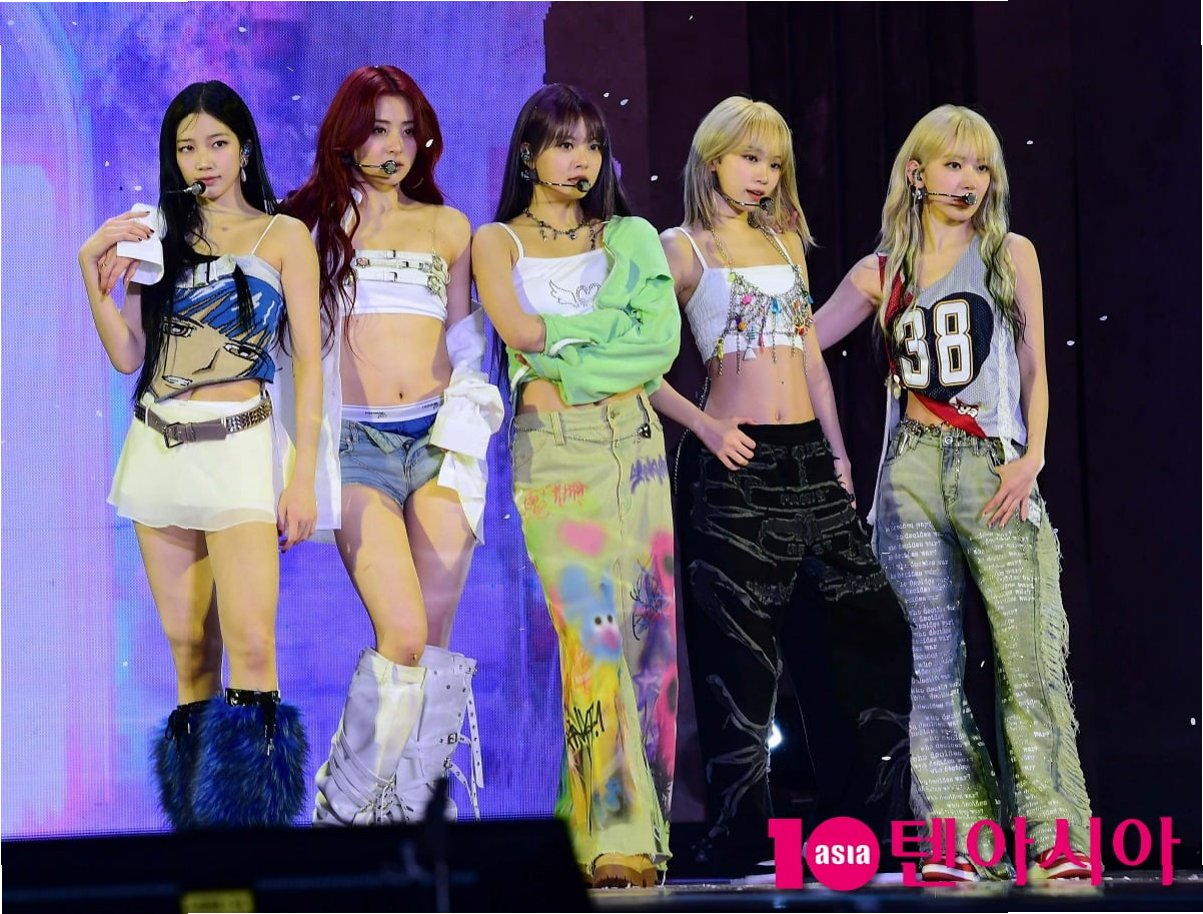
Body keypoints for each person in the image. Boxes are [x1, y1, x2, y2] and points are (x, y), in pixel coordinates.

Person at [813, 104, 1093, 881]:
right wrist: (834, 449)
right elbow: (799, 343)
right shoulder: (879, 271)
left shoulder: (1008, 253)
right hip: (907, 473)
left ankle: (1054, 833)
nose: (969, 180)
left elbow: (1034, 365)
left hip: (992, 466)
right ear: (917, 172)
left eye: (980, 166)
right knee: (927, 666)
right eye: (952, 164)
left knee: (1028, 658)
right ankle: (957, 838)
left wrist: (1032, 456)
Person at [649, 96, 914, 879]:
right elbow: (638, 368)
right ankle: (741, 839)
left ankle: (860, 832)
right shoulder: (678, 248)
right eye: (748, 158)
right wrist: (703, 428)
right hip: (732, 468)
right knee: (738, 665)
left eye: (772, 162)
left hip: (808, 462)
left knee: (867, 631)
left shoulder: (784, 237)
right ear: (711, 159)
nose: (762, 175)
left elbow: (807, 358)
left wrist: (838, 453)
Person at [78, 80, 323, 828]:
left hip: (242, 450)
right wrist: (91, 267)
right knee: (190, 653)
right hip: (159, 450)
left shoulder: (284, 236)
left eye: (217, 143)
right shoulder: (157, 235)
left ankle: (254, 845)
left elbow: (309, 364)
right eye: (187, 148)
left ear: (244, 148)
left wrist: (303, 477)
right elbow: (129, 355)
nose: (202, 160)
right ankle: (199, 846)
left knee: (252, 645)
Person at [472, 84, 680, 888]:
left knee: (644, 646)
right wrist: (598, 341)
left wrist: (562, 354)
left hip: (635, 445)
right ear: (528, 153)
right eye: (563, 143)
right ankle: (617, 832)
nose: (580, 160)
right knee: (591, 640)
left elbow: (656, 345)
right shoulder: (497, 242)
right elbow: (517, 331)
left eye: (592, 144)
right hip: (555, 456)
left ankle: (600, 829)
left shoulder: (630, 235)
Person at [282, 65, 501, 827]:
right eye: (377, 129)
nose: (395, 146)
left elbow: (465, 340)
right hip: (356, 447)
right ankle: (342, 816)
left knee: (434, 651)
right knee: (402, 636)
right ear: (346, 135)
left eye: (408, 131)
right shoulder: (308, 227)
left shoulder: (447, 227)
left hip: (439, 440)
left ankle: (409, 828)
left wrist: (469, 423)